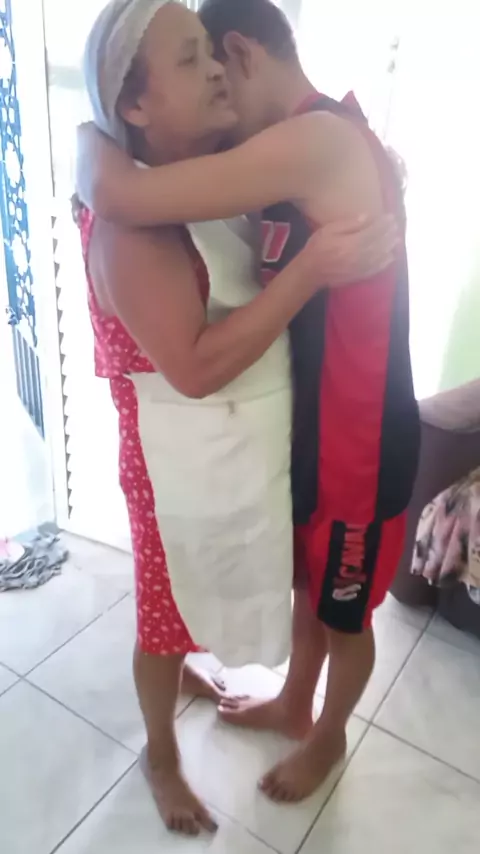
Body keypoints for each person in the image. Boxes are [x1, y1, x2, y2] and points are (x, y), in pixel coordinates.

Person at [78, 0, 397, 835]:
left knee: (323, 598)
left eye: (210, 52)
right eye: (192, 60)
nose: (215, 71)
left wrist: (91, 145)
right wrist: (87, 142)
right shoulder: (142, 219)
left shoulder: (264, 154)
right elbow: (190, 364)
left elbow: (121, 176)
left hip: (338, 440)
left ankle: (316, 721)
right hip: (205, 452)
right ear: (135, 105)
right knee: (170, 612)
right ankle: (167, 752)